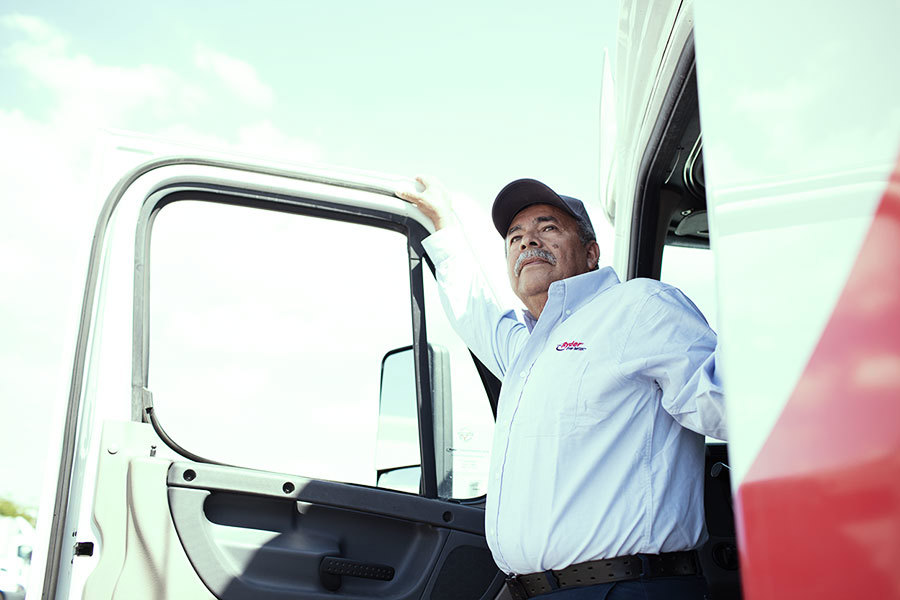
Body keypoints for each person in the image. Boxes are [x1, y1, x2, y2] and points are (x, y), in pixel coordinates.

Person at [397, 176, 726, 600]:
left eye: (547, 228)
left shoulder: (638, 307)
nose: (527, 241)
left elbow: (722, 402)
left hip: (623, 588)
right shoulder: (527, 351)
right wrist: (442, 224)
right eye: (514, 237)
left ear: (591, 253)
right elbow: (474, 311)